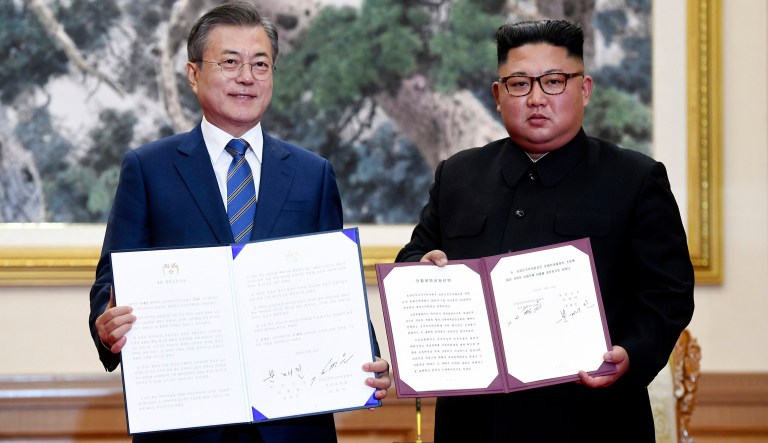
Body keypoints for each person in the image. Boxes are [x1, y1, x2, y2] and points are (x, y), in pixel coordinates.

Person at [88, 2, 390, 442]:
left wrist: (367, 356)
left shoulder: (313, 173)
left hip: (293, 425)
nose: (247, 77)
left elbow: (334, 288)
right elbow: (110, 282)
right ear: (193, 74)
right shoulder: (148, 169)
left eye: (260, 64)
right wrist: (105, 321)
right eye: (230, 62)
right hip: (187, 423)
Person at [396, 19, 694, 442]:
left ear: (584, 89)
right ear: (498, 96)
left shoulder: (635, 179)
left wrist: (631, 353)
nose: (536, 98)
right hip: (474, 425)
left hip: (593, 420)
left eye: (554, 81)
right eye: (519, 84)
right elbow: (414, 257)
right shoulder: (458, 175)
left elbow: (668, 294)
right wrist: (421, 268)